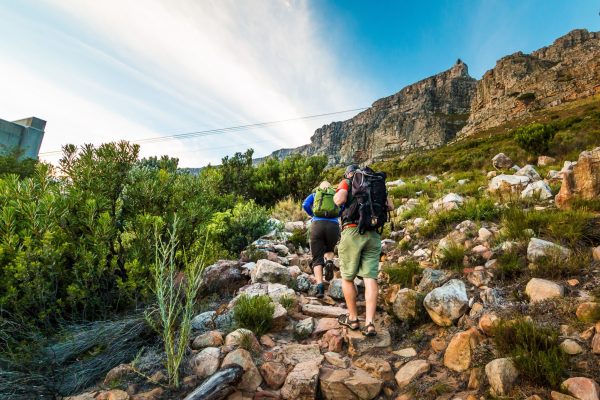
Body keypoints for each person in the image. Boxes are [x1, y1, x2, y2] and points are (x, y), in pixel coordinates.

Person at [334, 165, 393, 336]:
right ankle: (369, 324)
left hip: (352, 231)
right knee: (370, 277)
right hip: (373, 235)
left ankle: (353, 319)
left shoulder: (347, 181)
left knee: (347, 278)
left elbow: (339, 200)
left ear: (348, 173)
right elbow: (390, 207)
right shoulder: (376, 182)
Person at [302, 181, 341, 298]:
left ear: (320, 188)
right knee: (329, 249)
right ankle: (329, 262)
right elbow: (342, 206)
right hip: (333, 226)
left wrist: (313, 214)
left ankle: (320, 288)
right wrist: (335, 216)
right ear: (330, 187)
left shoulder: (315, 195)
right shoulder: (335, 194)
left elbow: (305, 204)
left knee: (317, 258)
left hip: (317, 225)